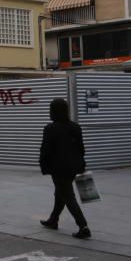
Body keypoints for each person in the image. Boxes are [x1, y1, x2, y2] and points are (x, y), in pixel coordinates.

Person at [38, 98, 90, 239]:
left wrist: (43, 166)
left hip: (59, 168)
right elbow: (81, 149)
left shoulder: (50, 128)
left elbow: (45, 150)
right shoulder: (75, 126)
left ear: (53, 111)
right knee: (60, 193)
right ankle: (53, 220)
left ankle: (83, 226)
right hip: (74, 167)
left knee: (67, 195)